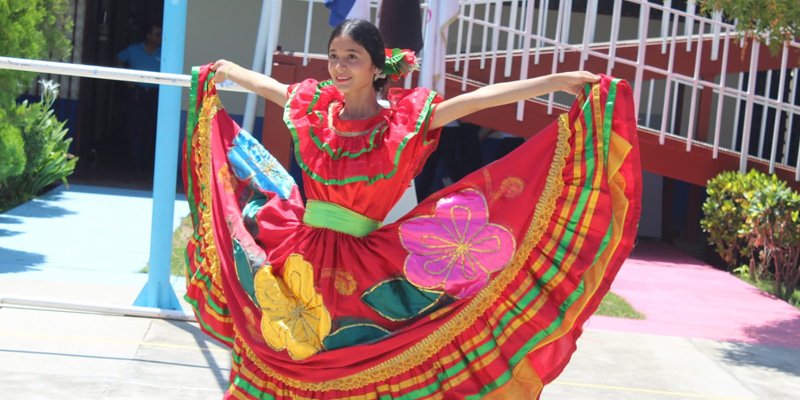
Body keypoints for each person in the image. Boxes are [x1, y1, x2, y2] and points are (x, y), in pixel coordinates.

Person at [183, 19, 641, 399]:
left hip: (362, 262)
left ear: (377, 67)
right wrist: (227, 70)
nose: (340, 67)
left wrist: (556, 82)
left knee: (356, 364)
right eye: (335, 57)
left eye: (352, 58)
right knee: (290, 354)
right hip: (300, 251)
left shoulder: (401, 123)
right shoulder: (316, 110)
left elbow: (476, 101)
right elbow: (272, 89)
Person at [116, 25, 162, 175]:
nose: (160, 37)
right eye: (157, 34)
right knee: (135, 127)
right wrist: (126, 78)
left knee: (151, 128)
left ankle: (148, 163)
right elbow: (119, 59)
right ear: (148, 36)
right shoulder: (133, 49)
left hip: (155, 94)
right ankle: (136, 163)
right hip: (137, 92)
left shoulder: (164, 51)